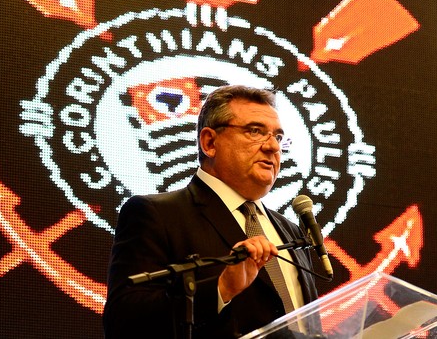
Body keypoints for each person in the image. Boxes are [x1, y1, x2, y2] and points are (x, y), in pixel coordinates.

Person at [103, 85, 318, 338]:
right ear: (209, 142)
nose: (272, 147)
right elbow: (123, 323)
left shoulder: (290, 232)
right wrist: (222, 288)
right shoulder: (156, 215)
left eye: (278, 137)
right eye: (255, 131)